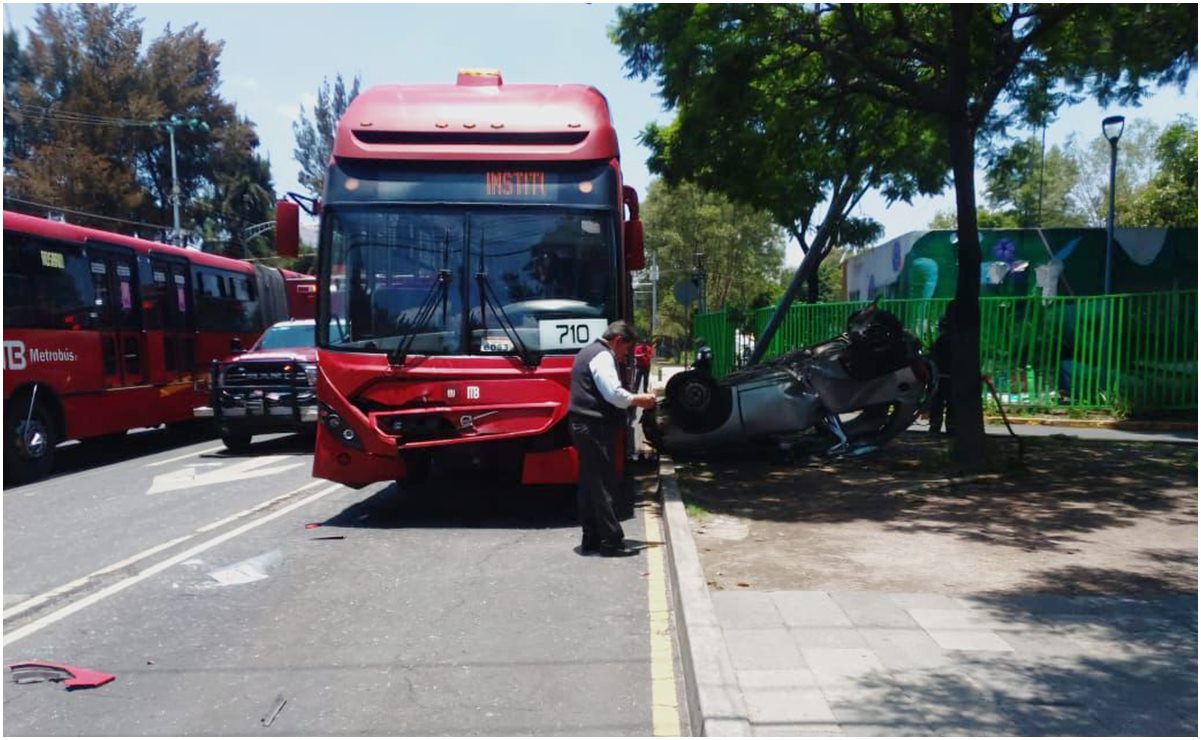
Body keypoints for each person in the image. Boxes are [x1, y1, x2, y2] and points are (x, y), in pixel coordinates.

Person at [569, 320, 657, 556]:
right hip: (594, 427)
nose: (624, 356)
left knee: (590, 484)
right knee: (604, 484)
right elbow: (614, 394)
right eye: (626, 349)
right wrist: (640, 399)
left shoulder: (585, 352)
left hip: (581, 425)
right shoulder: (603, 356)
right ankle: (611, 542)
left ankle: (591, 538)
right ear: (618, 341)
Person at [928, 301, 956, 436]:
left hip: (940, 377)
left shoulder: (941, 341)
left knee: (938, 403)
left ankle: (935, 425)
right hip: (952, 377)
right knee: (951, 404)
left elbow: (933, 357)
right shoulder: (956, 340)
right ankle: (950, 426)